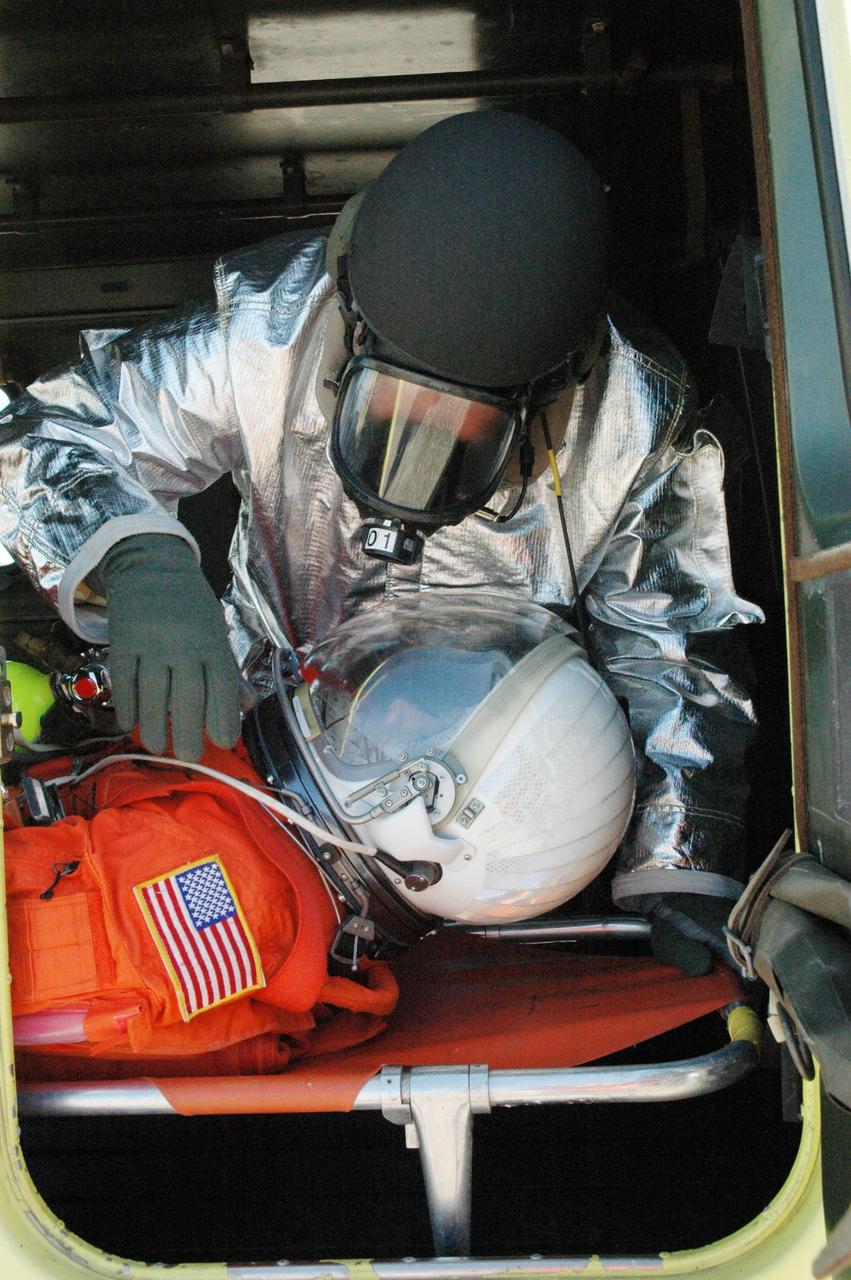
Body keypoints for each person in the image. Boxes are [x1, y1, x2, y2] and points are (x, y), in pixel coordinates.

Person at [0, 110, 763, 977]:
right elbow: (54, 428)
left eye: (464, 425)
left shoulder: (636, 413)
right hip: (273, 762)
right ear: (353, 324)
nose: (417, 456)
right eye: (392, 404)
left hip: (504, 816)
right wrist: (135, 556)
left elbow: (671, 644)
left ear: (546, 390)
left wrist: (680, 859)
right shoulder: (269, 326)